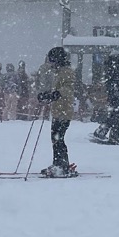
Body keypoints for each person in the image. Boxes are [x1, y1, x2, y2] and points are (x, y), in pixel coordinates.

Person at [36, 47, 78, 177]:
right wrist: (46, 95)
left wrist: (57, 94)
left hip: (64, 111)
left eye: (53, 60)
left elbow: (68, 88)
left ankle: (62, 166)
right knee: (55, 138)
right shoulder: (58, 72)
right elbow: (56, 88)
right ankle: (58, 164)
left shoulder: (67, 72)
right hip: (58, 110)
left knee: (59, 138)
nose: (51, 63)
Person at [91, 51, 119, 145]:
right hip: (116, 94)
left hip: (116, 94)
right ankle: (109, 135)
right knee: (117, 116)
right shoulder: (113, 68)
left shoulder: (111, 67)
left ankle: (105, 133)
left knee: (116, 115)